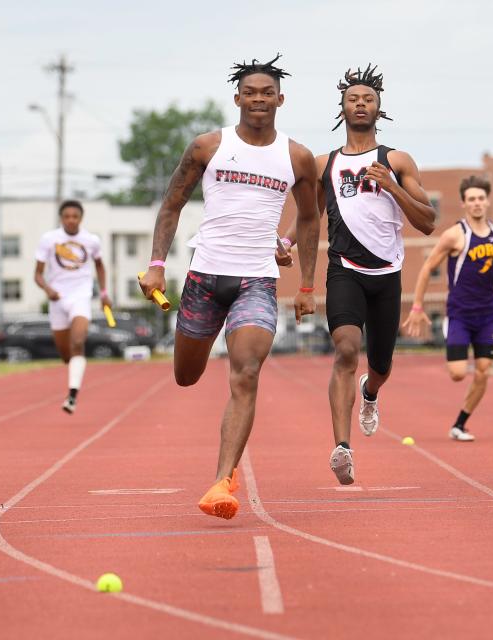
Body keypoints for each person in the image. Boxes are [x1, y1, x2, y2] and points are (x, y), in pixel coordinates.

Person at [139, 55, 320, 519]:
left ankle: (222, 481)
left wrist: (305, 283)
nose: (258, 99)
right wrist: (157, 265)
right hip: (204, 276)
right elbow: (171, 205)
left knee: (247, 373)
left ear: (280, 99)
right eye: (250, 92)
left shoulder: (296, 156)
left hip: (256, 279)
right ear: (237, 97)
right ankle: (222, 471)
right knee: (186, 375)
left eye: (267, 93)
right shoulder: (208, 146)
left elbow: (309, 216)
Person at [281, 64, 436, 482]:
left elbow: (428, 222)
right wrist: (287, 244)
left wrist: (393, 187)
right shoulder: (323, 163)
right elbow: (309, 217)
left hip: (387, 273)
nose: (361, 104)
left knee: (381, 364)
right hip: (344, 269)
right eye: (353, 99)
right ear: (343, 108)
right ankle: (342, 448)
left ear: (378, 107)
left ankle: (370, 392)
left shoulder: (396, 160)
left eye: (368, 99)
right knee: (347, 349)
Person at [403, 175, 493, 441]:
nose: (477, 203)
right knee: (457, 374)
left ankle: (460, 423)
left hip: (489, 314)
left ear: (487, 201)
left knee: (483, 370)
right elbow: (427, 268)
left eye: (481, 198)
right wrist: (418, 307)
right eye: (471, 199)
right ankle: (460, 419)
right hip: (460, 313)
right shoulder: (454, 235)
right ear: (464, 203)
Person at [34, 200, 112, 414]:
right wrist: (48, 290)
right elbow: (38, 275)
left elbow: (100, 266)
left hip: (81, 296)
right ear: (61, 218)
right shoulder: (49, 240)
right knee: (66, 355)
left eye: (74, 216)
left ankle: (72, 397)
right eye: (66, 216)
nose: (70, 220)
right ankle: (74, 371)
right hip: (58, 299)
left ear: (80, 218)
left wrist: (104, 294)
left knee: (78, 342)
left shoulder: (91, 240)